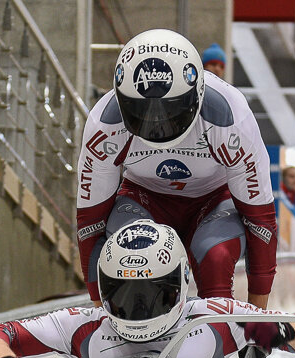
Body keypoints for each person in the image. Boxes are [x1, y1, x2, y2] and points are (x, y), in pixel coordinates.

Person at [0, 222, 295, 358]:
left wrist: (281, 331)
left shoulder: (216, 316)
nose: (139, 307)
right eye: (125, 293)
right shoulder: (85, 325)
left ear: (180, 282)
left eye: (152, 293)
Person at [75, 29, 278, 310]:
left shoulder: (230, 119)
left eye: (170, 112)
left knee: (215, 257)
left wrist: (258, 314)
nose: (157, 124)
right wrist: (98, 310)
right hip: (145, 200)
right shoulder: (104, 125)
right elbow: (90, 223)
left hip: (213, 202)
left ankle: (218, 328)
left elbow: (260, 220)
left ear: (198, 92)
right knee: (134, 259)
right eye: (141, 112)